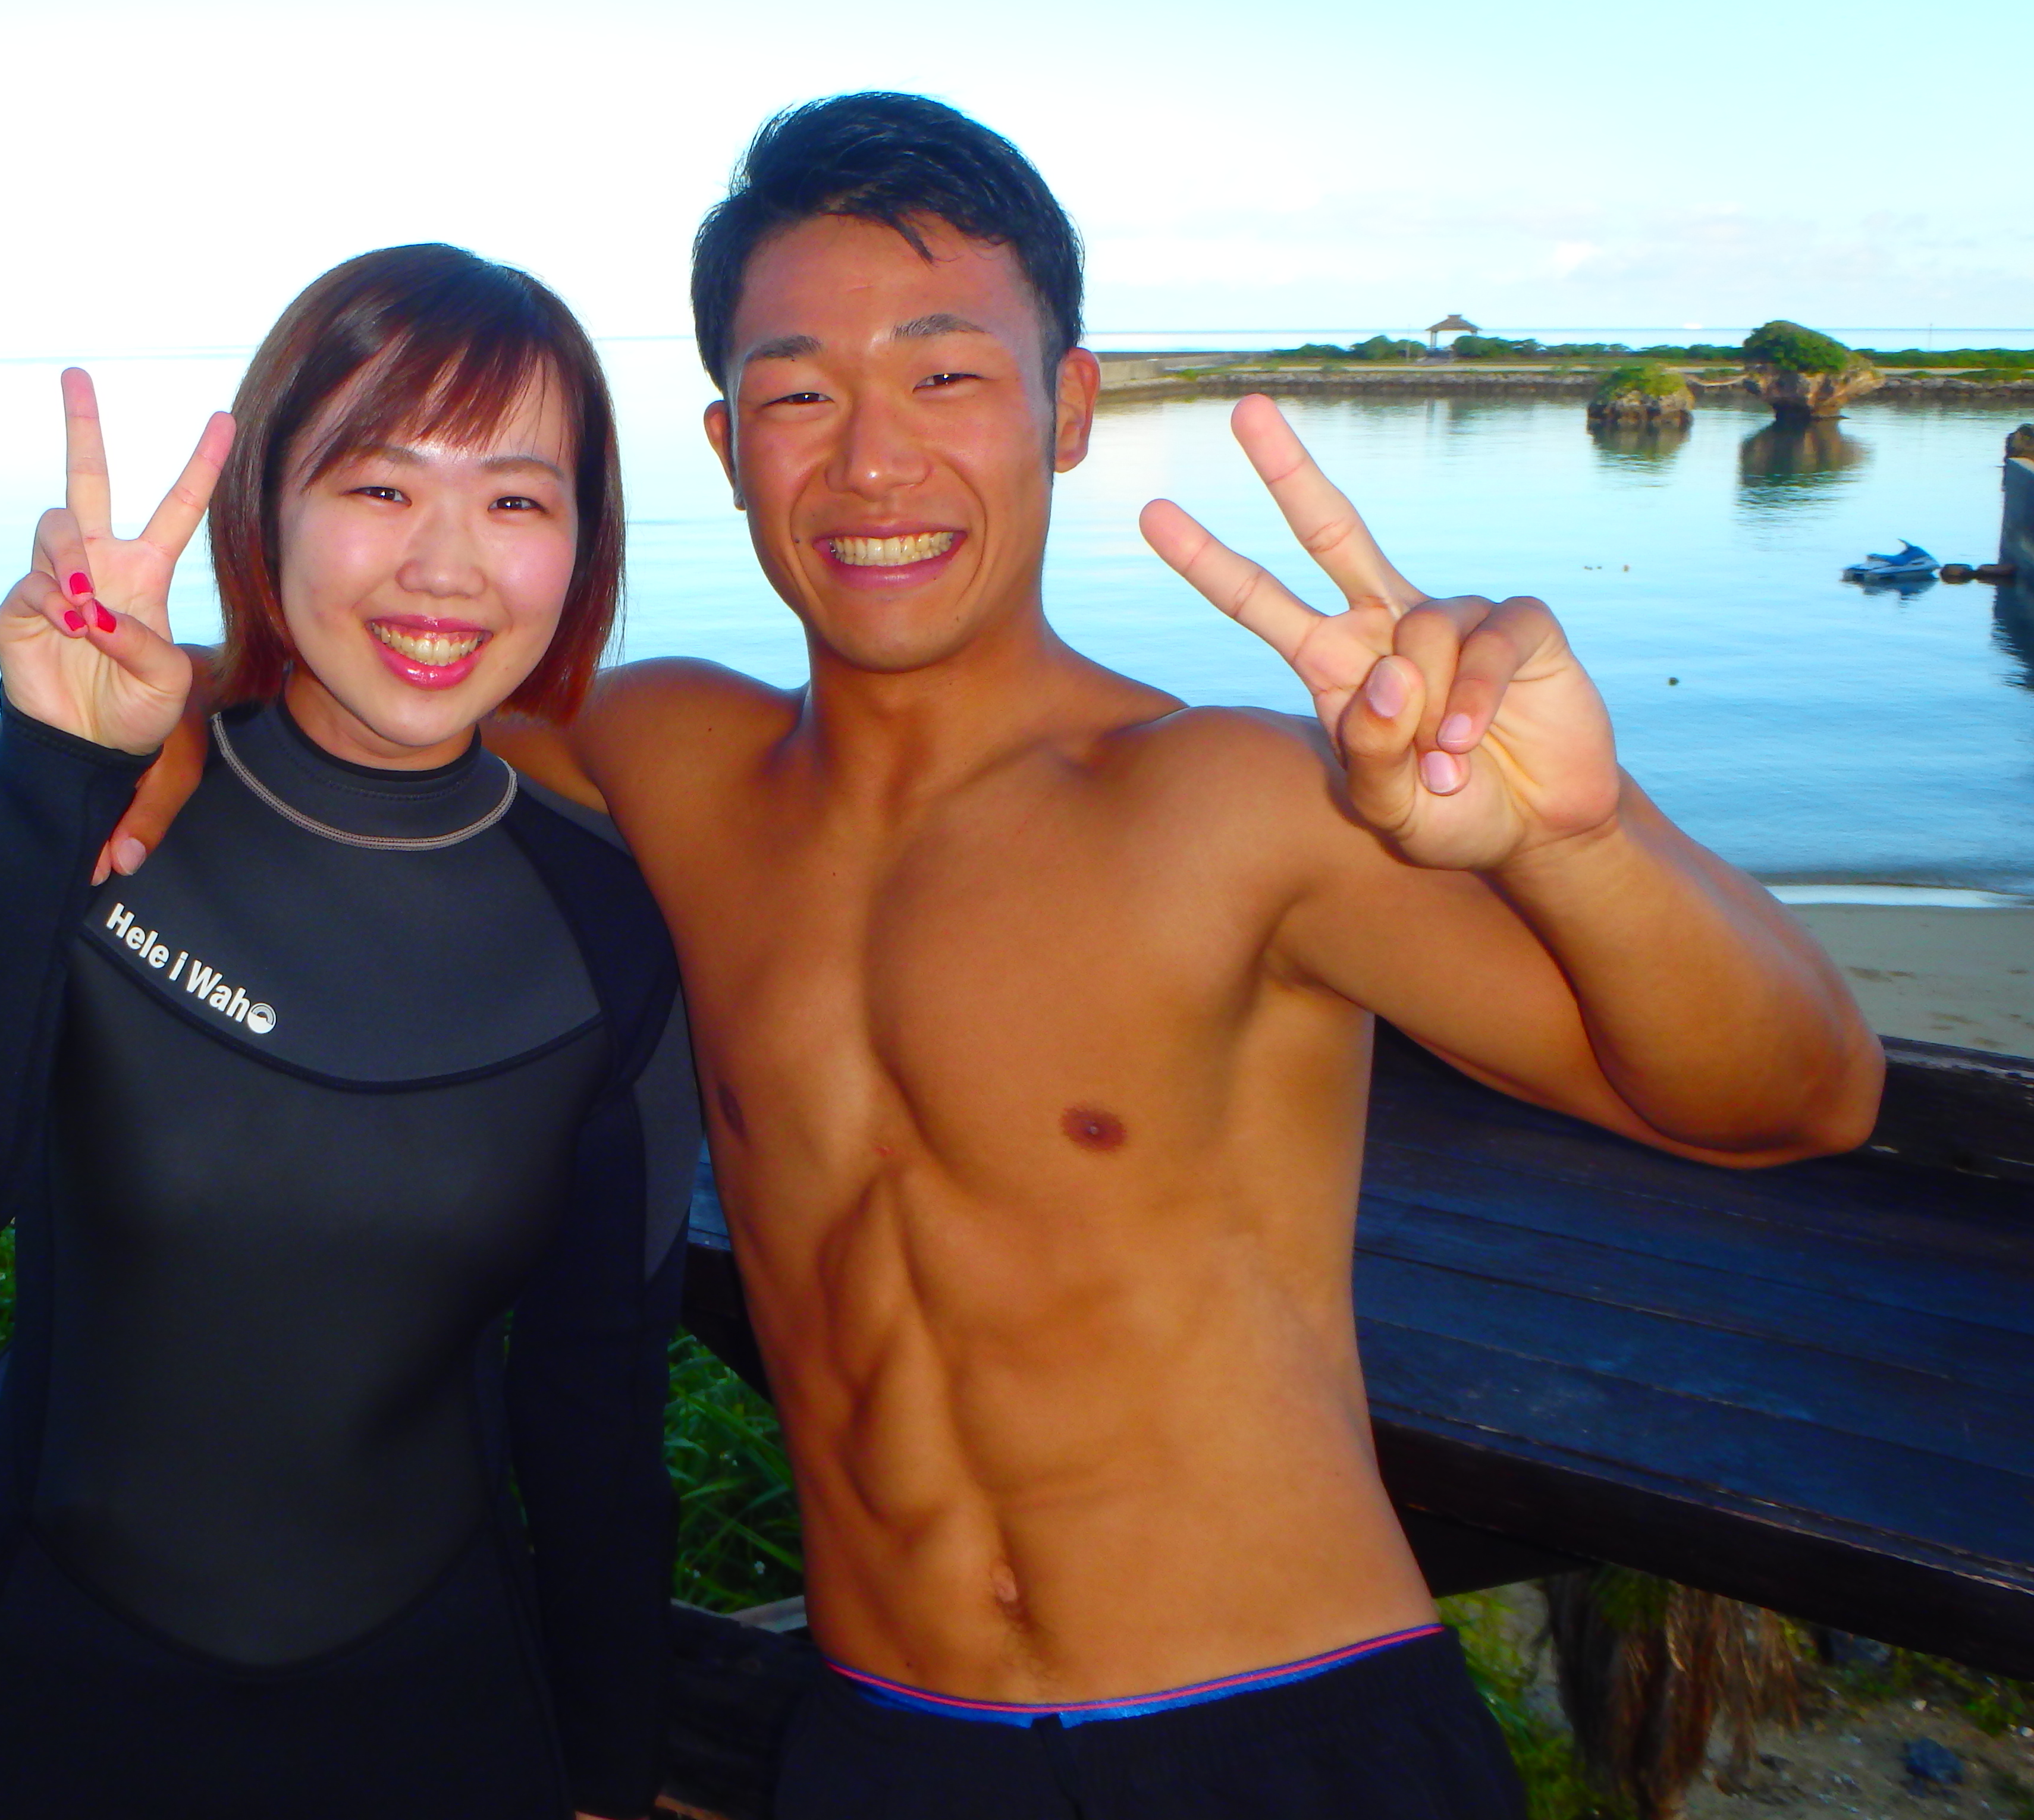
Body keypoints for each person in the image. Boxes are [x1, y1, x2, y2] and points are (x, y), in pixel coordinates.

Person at [108, 98, 1884, 1818]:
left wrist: (1581, 843)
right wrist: (175, 703)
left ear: (1071, 410)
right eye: (800, 395)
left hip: (1281, 1725)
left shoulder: (1230, 804)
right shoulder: (667, 761)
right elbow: (374, 694)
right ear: (727, 446)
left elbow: (1795, 1101)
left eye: (947, 377)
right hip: (890, 1741)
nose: (872, 462)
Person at [0, 244, 701, 1819]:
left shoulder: (605, 923)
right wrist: (44, 771)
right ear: (264, 510)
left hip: (440, 1717)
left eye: (515, 499)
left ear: (583, 543)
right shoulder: (101, 805)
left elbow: (598, 1406)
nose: (446, 568)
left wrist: (610, 1779)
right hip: (51, 1708)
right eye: (378, 486)